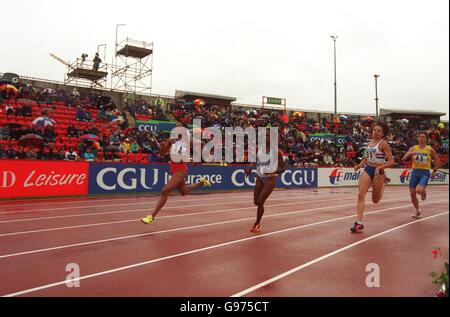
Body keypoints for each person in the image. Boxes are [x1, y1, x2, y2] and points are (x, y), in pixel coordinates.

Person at [141, 131, 212, 225]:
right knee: (184, 191)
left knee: (165, 191)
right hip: (173, 168)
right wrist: (162, 147)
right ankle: (201, 182)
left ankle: (151, 216)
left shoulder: (188, 141)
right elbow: (161, 154)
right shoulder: (171, 141)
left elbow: (202, 143)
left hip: (181, 169)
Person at [351, 122, 394, 233]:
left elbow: (391, 161)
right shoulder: (370, 143)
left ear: (383, 133)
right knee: (361, 195)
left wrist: (380, 167)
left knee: (375, 200)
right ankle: (359, 223)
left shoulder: (383, 144)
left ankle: (384, 183)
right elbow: (366, 158)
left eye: (379, 130)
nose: (375, 132)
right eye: (374, 130)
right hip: (368, 169)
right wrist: (359, 165)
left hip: (378, 172)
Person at [245, 131, 285, 233]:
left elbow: (283, 168)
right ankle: (258, 218)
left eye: (268, 136)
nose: (265, 138)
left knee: (260, 201)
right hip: (259, 177)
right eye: (264, 136)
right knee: (256, 202)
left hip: (270, 179)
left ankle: (257, 224)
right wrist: (250, 168)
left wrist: (272, 171)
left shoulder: (276, 152)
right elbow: (254, 160)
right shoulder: (259, 148)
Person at [402, 132, 441, 218]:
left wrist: (434, 171)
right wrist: (409, 154)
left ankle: (423, 191)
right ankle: (417, 210)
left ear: (426, 139)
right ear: (418, 138)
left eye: (423, 137)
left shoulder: (430, 149)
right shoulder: (413, 148)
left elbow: (437, 160)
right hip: (415, 172)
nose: (422, 138)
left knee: (418, 190)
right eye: (420, 137)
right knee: (412, 193)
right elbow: (403, 159)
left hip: (424, 172)